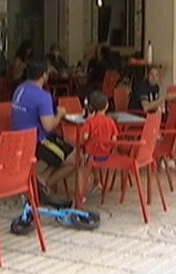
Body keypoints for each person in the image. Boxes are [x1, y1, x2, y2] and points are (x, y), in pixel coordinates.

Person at [10, 59, 73, 207]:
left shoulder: (19, 89)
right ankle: (41, 183)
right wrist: (60, 114)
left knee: (65, 147)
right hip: (36, 142)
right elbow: (49, 125)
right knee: (75, 158)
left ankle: (40, 180)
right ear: (44, 75)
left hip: (17, 139)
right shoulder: (42, 96)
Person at [79, 90, 119, 198]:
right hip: (107, 155)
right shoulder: (110, 121)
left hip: (92, 155)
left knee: (80, 167)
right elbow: (114, 138)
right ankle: (97, 182)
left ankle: (80, 194)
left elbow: (85, 137)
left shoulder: (90, 121)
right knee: (93, 160)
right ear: (106, 106)